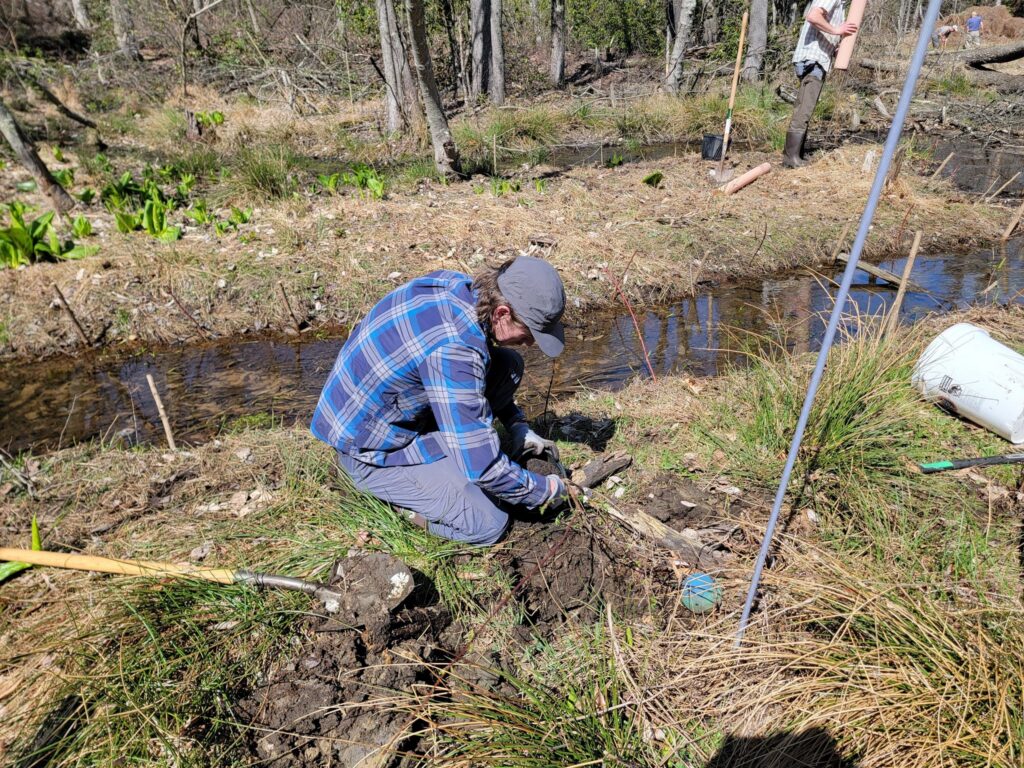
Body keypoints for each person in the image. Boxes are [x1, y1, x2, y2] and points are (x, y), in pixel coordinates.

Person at [311, 256, 575, 546]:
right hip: (368, 450)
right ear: (502, 313)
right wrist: (548, 491)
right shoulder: (453, 351)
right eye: (530, 332)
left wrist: (517, 424)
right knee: (489, 523)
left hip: (382, 411)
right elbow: (484, 468)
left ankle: (443, 454)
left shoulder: (460, 288)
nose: (531, 343)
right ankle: (386, 499)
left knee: (509, 365)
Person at [783, 0, 860, 169]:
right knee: (804, 109)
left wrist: (836, 47)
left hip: (817, 59)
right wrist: (837, 30)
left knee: (804, 107)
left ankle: (796, 154)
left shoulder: (840, 6)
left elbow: (823, 26)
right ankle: (791, 157)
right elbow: (813, 16)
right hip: (813, 60)